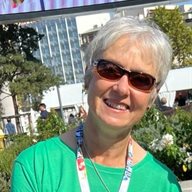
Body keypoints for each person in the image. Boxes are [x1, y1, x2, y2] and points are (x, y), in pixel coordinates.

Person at [11, 16, 181, 191]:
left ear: (153, 96)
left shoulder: (163, 185)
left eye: (141, 80)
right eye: (110, 70)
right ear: (88, 75)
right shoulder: (36, 167)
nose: (122, 89)